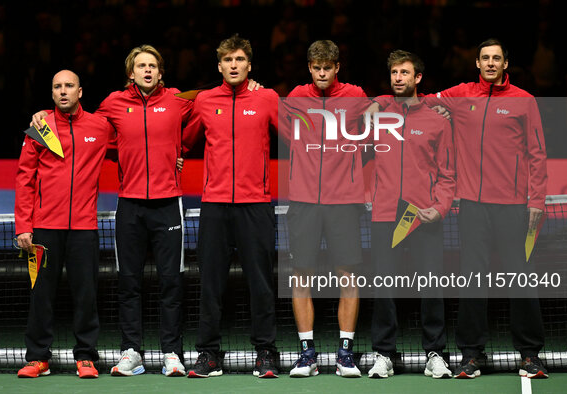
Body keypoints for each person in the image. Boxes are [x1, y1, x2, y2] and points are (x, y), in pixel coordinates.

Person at [31, 44, 193, 377]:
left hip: (168, 204)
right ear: (131, 73)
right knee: (128, 282)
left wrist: (181, 149)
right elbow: (85, 127)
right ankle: (131, 351)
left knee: (171, 282)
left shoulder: (179, 100)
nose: (147, 70)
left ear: (160, 73)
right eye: (140, 66)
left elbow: (211, 113)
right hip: (129, 204)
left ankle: (172, 353)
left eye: (152, 65)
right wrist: (42, 118)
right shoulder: (113, 104)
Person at [428, 39, 548, 379]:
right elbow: (420, 101)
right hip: (473, 207)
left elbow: (537, 154)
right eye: (485, 58)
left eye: (497, 58)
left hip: (513, 207)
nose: (491, 63)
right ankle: (471, 355)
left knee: (521, 278)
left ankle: (529, 355)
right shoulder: (460, 94)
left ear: (505, 63)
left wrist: (536, 200)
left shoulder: (524, 102)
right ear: (477, 64)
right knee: (472, 281)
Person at [182, 34, 279, 379]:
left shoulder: (267, 98)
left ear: (249, 65)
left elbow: (298, 135)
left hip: (256, 205)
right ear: (219, 66)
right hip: (215, 206)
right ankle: (208, 354)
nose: (234, 65)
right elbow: (184, 139)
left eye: (239, 60)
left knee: (262, 283)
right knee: (210, 284)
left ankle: (266, 352)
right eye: (228, 60)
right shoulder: (205, 101)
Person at [15, 70, 113, 379]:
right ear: (52, 92)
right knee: (41, 294)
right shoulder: (39, 127)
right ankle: (38, 358)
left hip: (84, 227)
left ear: (80, 91)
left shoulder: (99, 126)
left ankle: (85, 356)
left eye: (69, 86)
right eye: (57, 86)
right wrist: (23, 225)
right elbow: (24, 178)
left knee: (86, 294)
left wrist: (176, 157)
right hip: (44, 227)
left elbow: (134, 146)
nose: (63, 91)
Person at [366, 50, 455, 379]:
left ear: (418, 78)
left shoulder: (437, 121)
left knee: (431, 286)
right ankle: (384, 354)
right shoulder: (377, 116)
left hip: (423, 216)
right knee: (384, 287)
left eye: (405, 72)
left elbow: (448, 174)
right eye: (393, 72)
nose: (398, 77)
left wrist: (440, 207)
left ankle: (434, 353)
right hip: (386, 215)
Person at [282, 40, 368, 378]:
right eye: (316, 67)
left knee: (347, 276)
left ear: (336, 68)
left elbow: (385, 109)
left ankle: (345, 354)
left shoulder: (356, 95)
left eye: (327, 67)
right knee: (301, 276)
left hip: (344, 201)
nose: (321, 72)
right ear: (309, 68)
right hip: (304, 201)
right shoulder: (295, 98)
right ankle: (308, 356)